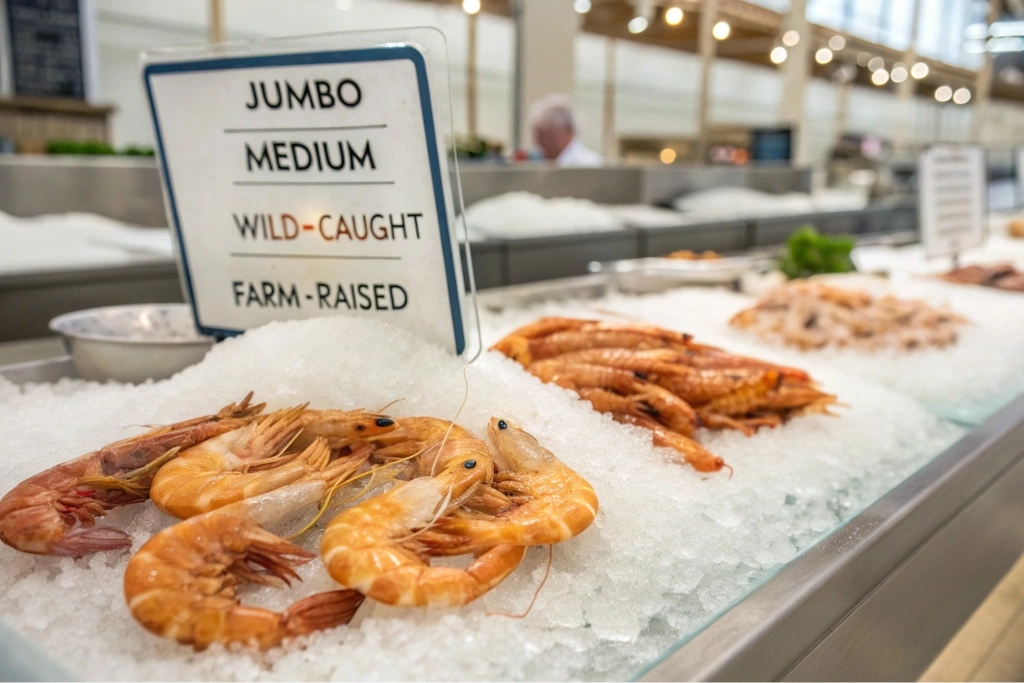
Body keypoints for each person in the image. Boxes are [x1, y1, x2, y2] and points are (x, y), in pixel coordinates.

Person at [529, 94, 602, 167]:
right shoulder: (533, 164)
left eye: (547, 135)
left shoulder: (589, 165)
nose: (540, 143)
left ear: (567, 130)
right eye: (538, 135)